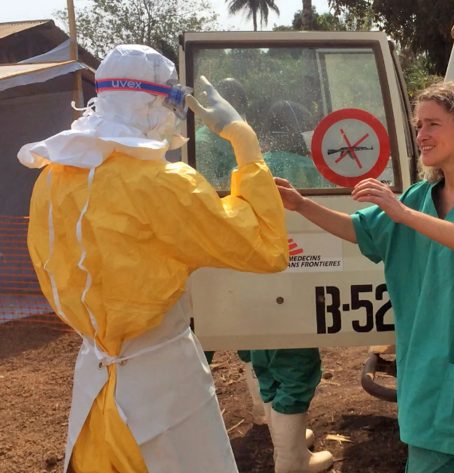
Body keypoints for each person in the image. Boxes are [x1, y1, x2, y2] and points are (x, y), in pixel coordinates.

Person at [19, 44, 289, 473]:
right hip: (162, 387)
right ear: (154, 103)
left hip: (94, 382)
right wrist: (242, 137)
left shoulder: (54, 176)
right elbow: (265, 247)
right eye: (175, 101)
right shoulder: (162, 183)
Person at [275, 81, 454, 472]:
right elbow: (362, 230)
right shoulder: (419, 196)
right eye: (418, 125)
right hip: (422, 358)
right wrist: (302, 206)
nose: (421, 135)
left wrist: (402, 213)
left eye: (433, 124)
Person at [244, 98, 334, 473]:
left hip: (250, 281)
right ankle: (291, 460)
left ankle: (290, 442)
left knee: (264, 357)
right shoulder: (310, 169)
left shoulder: (251, 169)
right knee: (296, 362)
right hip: (297, 280)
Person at [194, 77, 247, 192]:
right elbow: (210, 190)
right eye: (230, 108)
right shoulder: (202, 143)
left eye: (239, 109)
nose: (235, 115)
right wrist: (246, 168)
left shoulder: (239, 136)